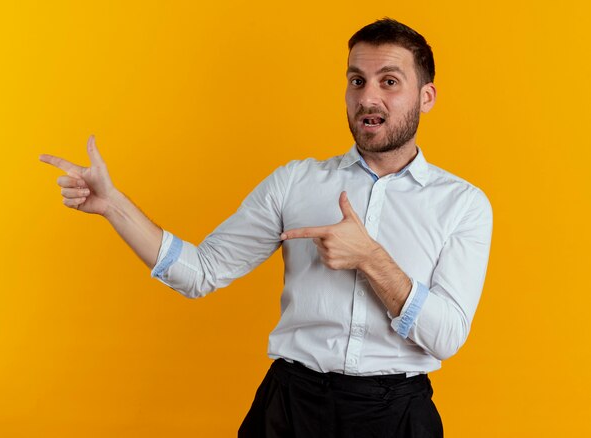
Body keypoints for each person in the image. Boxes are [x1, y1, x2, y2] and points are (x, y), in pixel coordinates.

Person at [40, 18, 492, 438]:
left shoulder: (463, 205)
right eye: (357, 80)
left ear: (426, 97)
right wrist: (113, 204)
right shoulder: (295, 183)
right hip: (290, 408)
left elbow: (445, 336)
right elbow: (200, 273)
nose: (368, 97)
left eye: (389, 82)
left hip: (397, 416)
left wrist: (370, 258)